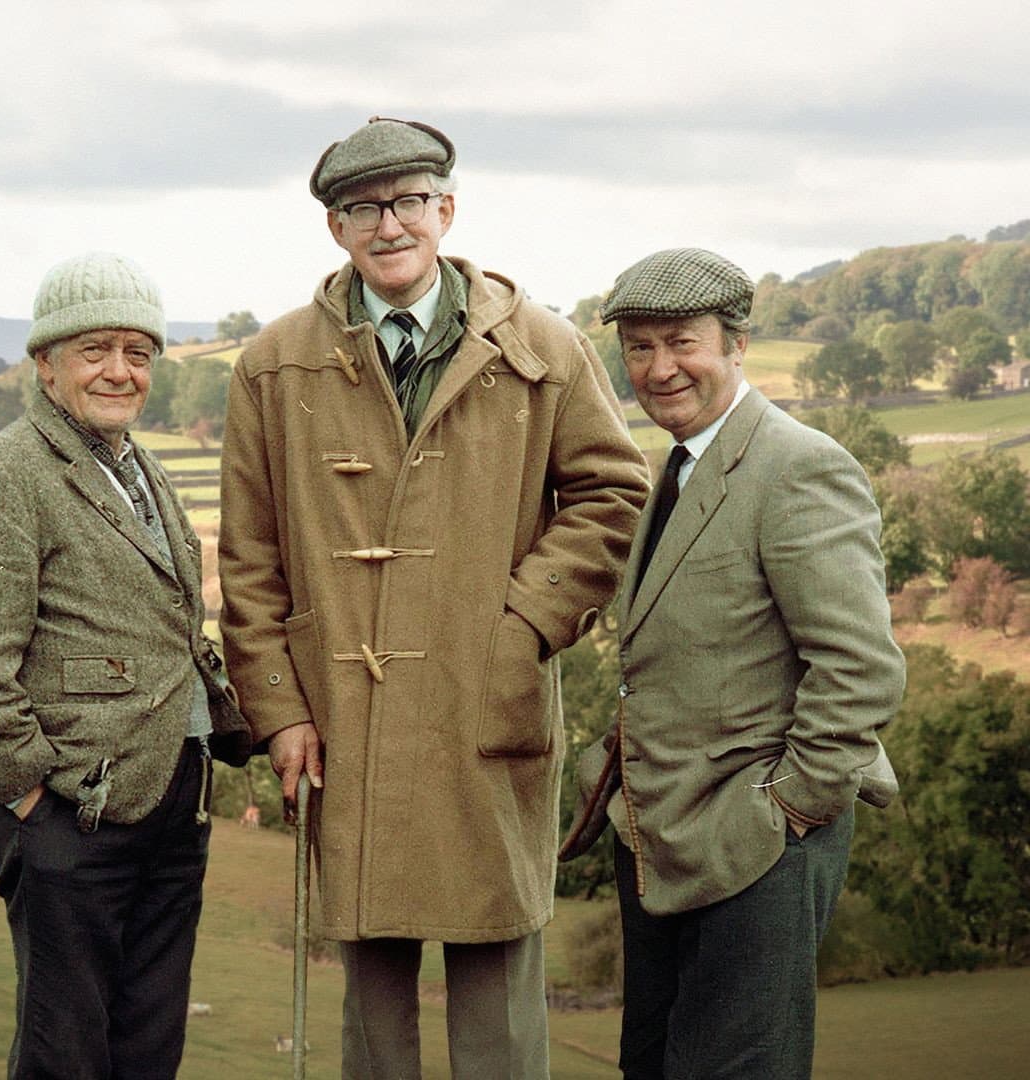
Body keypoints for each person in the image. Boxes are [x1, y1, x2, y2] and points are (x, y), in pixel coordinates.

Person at [218, 116, 649, 1077]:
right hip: (343, 717)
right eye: (361, 209)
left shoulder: (544, 346)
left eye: (408, 202)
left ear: (446, 211)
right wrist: (280, 713)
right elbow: (248, 563)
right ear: (336, 229)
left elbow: (613, 493)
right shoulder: (273, 365)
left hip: (484, 704)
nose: (388, 226)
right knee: (372, 991)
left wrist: (522, 626)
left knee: (497, 973)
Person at [560, 247, 906, 1079]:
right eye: (639, 347)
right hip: (661, 838)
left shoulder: (798, 466)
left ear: (737, 343)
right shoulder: (680, 467)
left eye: (682, 341)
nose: (659, 368)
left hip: (758, 843)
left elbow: (860, 668)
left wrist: (788, 810)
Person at [0, 252, 250, 1080]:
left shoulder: (142, 467)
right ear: (46, 365)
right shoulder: (2, 475)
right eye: (94, 349)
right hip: (69, 815)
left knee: (147, 1049)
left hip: (170, 806)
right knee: (67, 1055)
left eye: (138, 353)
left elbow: (169, 632)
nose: (119, 370)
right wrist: (36, 804)